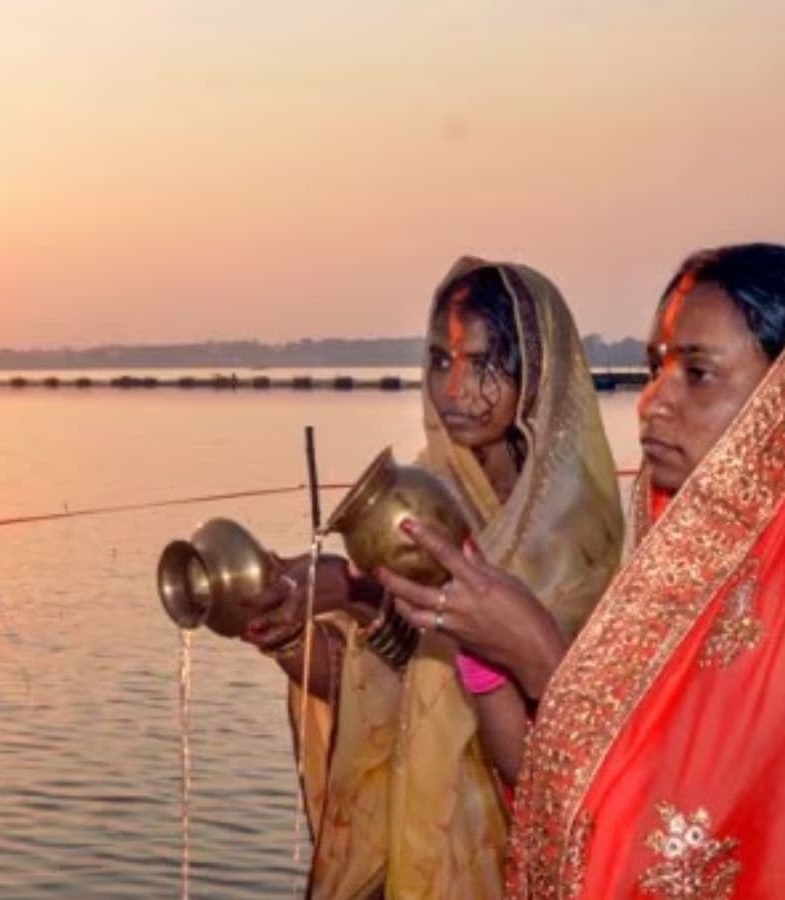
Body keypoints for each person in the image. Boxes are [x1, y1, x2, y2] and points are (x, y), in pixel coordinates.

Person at [385, 243, 785, 897]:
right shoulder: (699, 584)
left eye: (698, 373)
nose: (652, 402)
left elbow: (662, 853)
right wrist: (488, 658)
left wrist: (541, 660)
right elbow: (563, 797)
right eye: (655, 368)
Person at [241, 257, 624, 898]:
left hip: (522, 848)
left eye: (482, 364)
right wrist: (291, 628)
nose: (454, 390)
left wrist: (372, 598)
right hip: (419, 843)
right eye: (441, 361)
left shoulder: (578, 534)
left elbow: (570, 738)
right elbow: (382, 690)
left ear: (536, 373)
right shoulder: (422, 500)